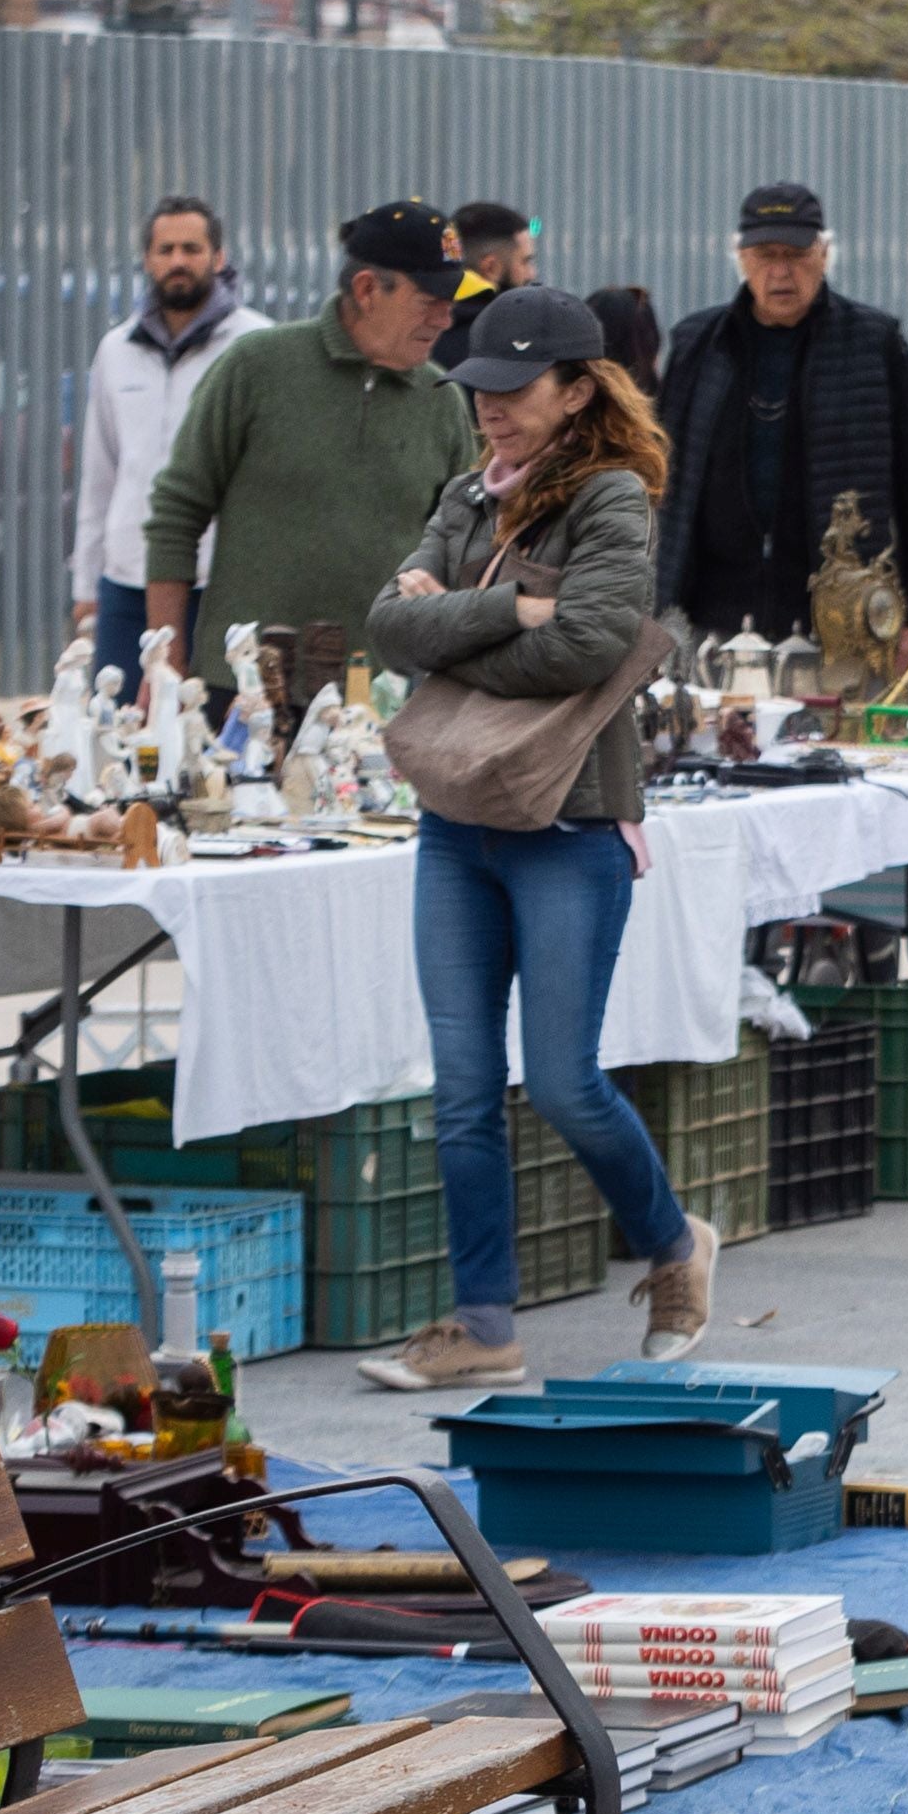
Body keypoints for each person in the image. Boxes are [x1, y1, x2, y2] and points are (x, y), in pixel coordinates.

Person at [351, 285, 716, 1394]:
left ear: (575, 390)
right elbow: (385, 622)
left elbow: (594, 646)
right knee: (461, 1086)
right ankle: (483, 1324)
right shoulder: (469, 494)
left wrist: (452, 627)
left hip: (570, 825)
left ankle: (671, 1243)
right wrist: (508, 612)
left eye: (513, 392)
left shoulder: (613, 500)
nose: (491, 411)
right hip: (458, 821)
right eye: (479, 392)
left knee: (560, 1079)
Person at [143, 201, 482, 672]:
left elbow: (466, 545)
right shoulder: (256, 367)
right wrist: (165, 662)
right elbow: (176, 514)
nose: (446, 321)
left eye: (451, 304)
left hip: (385, 697)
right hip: (245, 691)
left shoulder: (443, 400)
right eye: (430, 303)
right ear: (366, 289)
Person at [655, 183, 908, 657]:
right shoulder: (697, 344)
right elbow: (663, 487)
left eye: (797, 254)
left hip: (842, 619)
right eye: (764, 254)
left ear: (825, 254)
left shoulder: (874, 343)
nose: (781, 271)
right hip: (708, 618)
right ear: (739, 257)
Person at [72, 196, 266, 690]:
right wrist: (85, 585)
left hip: (217, 580)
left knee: (213, 733)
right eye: (165, 250)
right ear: (147, 260)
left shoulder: (255, 346)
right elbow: (101, 475)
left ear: (218, 258)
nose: (177, 261)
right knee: (119, 731)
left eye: (191, 249)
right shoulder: (116, 351)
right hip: (126, 581)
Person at [424, 201, 543, 369]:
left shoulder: (419, 332)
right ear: (490, 267)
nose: (532, 273)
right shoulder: (516, 342)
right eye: (525, 261)